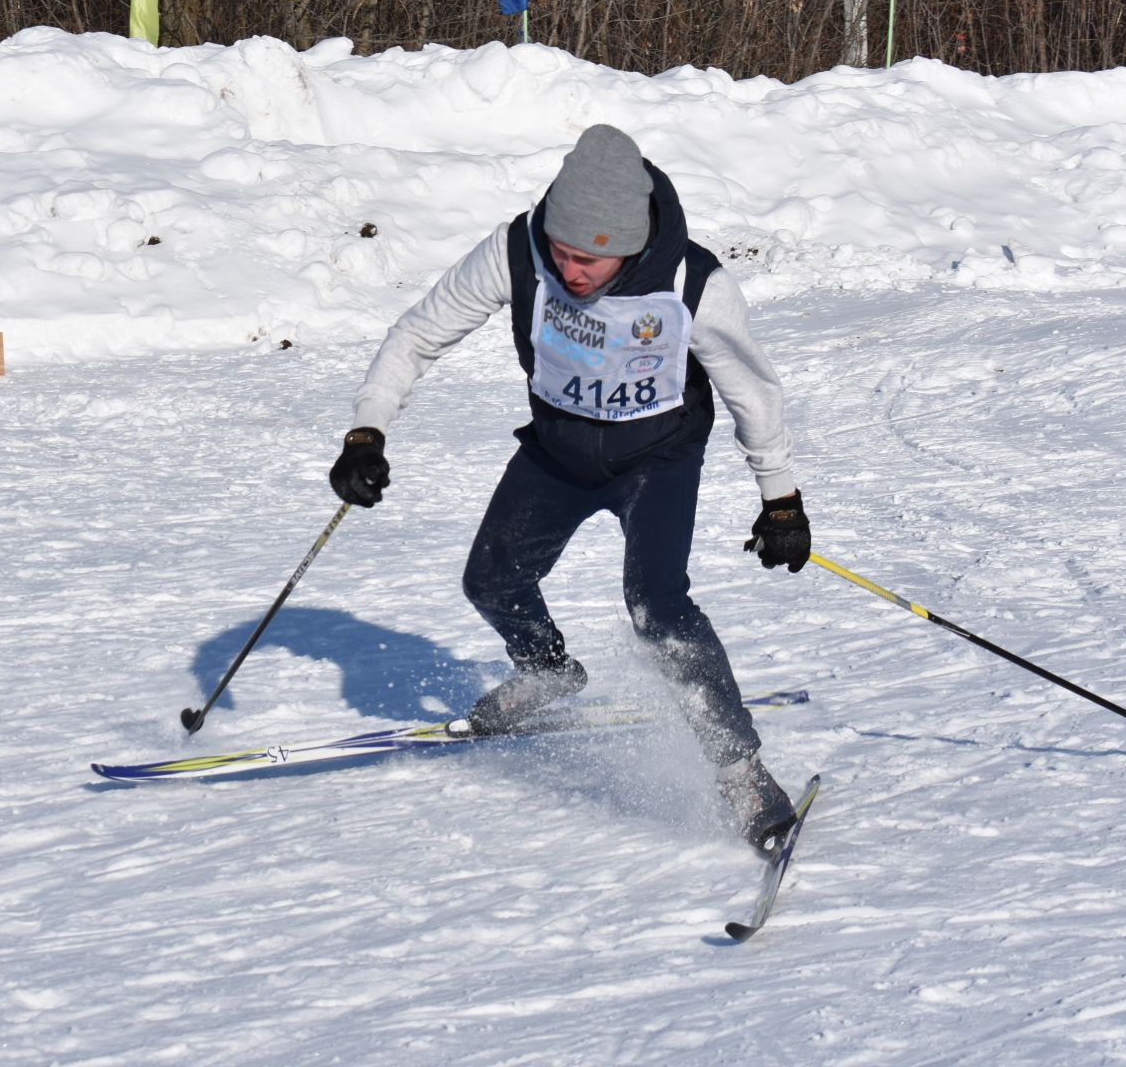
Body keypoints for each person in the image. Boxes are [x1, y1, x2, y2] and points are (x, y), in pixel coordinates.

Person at [328, 124, 810, 855]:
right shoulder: (518, 249)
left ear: (628, 241)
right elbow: (419, 333)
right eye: (561, 251)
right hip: (558, 448)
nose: (570, 270)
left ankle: (742, 771)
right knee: (491, 579)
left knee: (658, 605)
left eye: (588, 258)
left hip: (658, 458)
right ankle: (547, 671)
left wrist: (780, 500)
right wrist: (368, 431)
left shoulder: (695, 285)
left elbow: (753, 390)